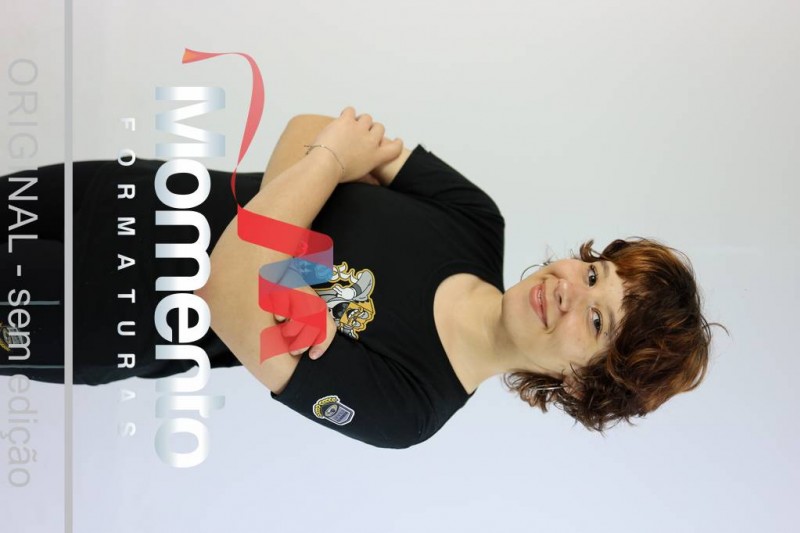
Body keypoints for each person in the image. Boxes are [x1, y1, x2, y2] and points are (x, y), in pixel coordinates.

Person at [0, 108, 715, 448]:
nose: (569, 290)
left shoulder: (410, 406)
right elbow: (316, 127)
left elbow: (220, 295)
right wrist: (284, 262)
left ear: (583, 383)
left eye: (596, 319)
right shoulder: (474, 220)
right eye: (593, 273)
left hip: (108, 313)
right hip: (126, 194)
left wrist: (319, 177)